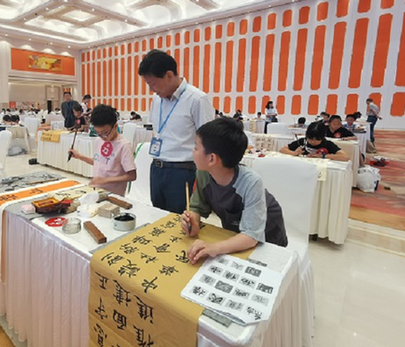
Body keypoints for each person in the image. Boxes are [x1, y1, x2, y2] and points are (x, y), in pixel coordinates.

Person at [181, 118, 288, 263]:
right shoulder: (204, 173)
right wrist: (192, 223)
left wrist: (214, 247)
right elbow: (196, 207)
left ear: (211, 158)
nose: (193, 151)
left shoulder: (251, 182)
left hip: (267, 234)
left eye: (196, 147)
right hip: (236, 234)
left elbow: (251, 236)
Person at [139, 49, 215, 213]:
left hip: (182, 172)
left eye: (153, 84)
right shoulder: (156, 99)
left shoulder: (197, 99)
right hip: (157, 168)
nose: (151, 90)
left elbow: (209, 142)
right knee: (158, 217)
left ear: (168, 75)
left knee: (180, 221)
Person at [68, 104, 136, 196]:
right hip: (97, 190)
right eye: (98, 133)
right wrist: (80, 156)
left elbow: (132, 175)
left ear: (115, 127)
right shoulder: (98, 140)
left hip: (113, 195)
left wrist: (105, 180)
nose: (103, 137)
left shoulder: (124, 145)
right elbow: (100, 162)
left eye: (105, 133)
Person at [280, 121, 349, 161]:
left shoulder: (327, 144)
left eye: (317, 139)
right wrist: (294, 153)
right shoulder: (302, 142)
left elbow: (345, 157)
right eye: (310, 138)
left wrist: (323, 156)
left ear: (322, 137)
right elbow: (282, 149)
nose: (313, 141)